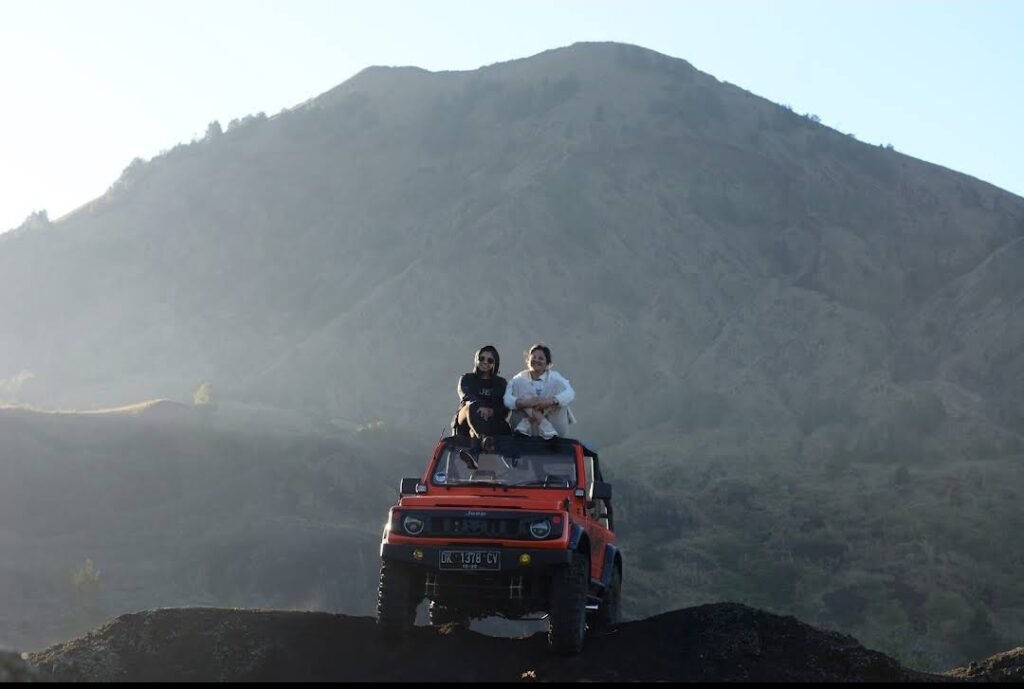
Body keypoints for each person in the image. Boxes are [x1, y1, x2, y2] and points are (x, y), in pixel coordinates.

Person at [504, 343, 576, 439]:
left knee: (558, 386)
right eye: (533, 357)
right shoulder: (519, 378)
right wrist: (524, 403)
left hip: (555, 428)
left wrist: (549, 401)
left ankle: (546, 428)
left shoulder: (555, 377)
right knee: (519, 383)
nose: (536, 360)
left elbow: (570, 394)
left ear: (547, 364)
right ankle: (542, 426)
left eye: (541, 358)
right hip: (526, 432)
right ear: (528, 360)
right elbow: (507, 400)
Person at [452, 345, 511, 438]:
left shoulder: (501, 383)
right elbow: (466, 395)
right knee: (471, 407)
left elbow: (505, 405)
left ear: (495, 363)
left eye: (490, 360)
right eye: (481, 358)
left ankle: (489, 442)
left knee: (506, 427)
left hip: (491, 418)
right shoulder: (467, 378)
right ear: (476, 359)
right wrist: (480, 407)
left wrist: (492, 411)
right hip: (466, 417)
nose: (485, 362)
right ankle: (483, 438)